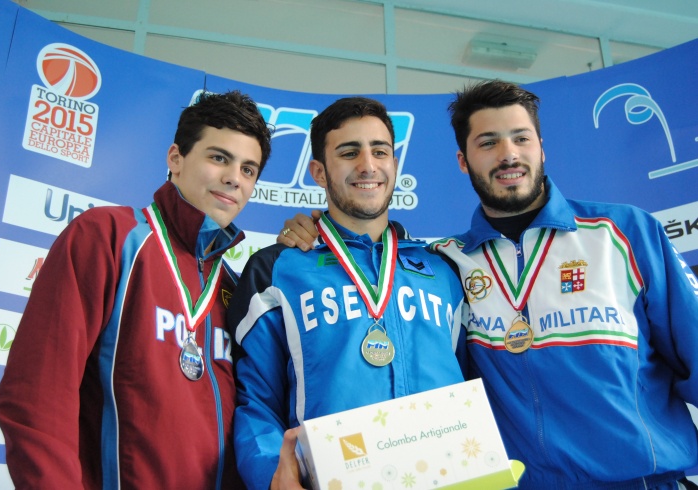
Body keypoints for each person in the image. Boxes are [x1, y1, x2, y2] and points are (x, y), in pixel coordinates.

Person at [279, 80, 698, 489]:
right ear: (463, 160)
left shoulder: (622, 233)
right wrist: (315, 229)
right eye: (488, 143)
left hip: (640, 480)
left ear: (541, 147)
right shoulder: (446, 261)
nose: (508, 155)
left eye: (521, 138)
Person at [0, 90, 272, 489]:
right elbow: (36, 399)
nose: (234, 178)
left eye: (249, 169)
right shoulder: (108, 237)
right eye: (219, 157)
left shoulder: (234, 289)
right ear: (175, 159)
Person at [228, 96, 467, 490]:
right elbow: (255, 400)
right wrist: (272, 472)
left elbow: (471, 383)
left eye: (380, 151)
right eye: (349, 152)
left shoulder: (443, 271)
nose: (368, 165)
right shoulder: (277, 269)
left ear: (394, 164)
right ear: (319, 173)